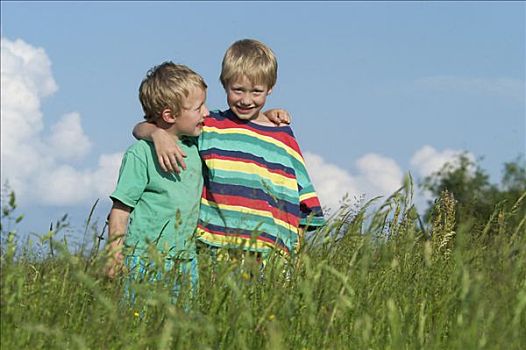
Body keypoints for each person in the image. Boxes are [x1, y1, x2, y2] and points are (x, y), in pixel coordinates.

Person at [133, 39, 325, 276]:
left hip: (269, 253)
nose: (246, 100)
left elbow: (303, 200)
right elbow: (141, 128)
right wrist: (156, 133)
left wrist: (296, 249)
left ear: (270, 88)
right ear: (224, 84)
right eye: (238, 90)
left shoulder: (281, 135)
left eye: (256, 91)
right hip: (216, 247)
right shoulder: (210, 126)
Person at [106, 61, 208, 305]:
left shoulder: (197, 144)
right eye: (198, 107)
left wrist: (268, 115)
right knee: (139, 324)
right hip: (143, 259)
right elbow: (121, 210)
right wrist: (113, 255)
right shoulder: (140, 154)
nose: (206, 113)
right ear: (169, 115)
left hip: (186, 260)